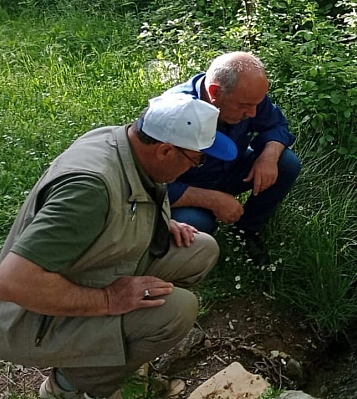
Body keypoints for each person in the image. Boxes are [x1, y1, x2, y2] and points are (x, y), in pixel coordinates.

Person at [0, 93, 236, 398]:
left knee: (201, 250)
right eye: (197, 158)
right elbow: (13, 282)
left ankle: (115, 344)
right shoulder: (89, 190)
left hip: (88, 269)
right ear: (165, 150)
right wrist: (110, 300)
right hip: (29, 317)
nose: (196, 166)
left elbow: (126, 203)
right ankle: (70, 385)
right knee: (177, 310)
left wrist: (158, 219)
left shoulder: (130, 144)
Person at [164, 51, 301, 265]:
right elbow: (152, 186)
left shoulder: (246, 95)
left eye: (258, 103)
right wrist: (213, 200)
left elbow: (277, 125)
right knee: (194, 224)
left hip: (230, 168)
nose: (254, 113)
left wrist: (269, 155)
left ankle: (247, 229)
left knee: (287, 163)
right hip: (187, 187)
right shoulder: (173, 116)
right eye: (245, 106)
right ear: (214, 92)